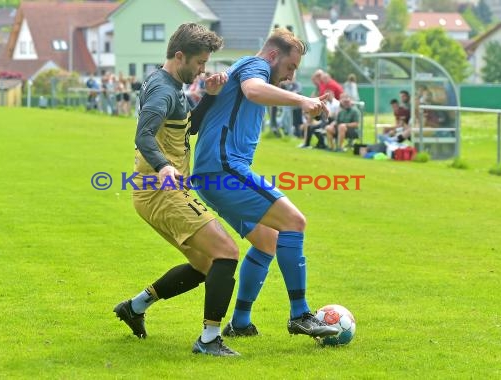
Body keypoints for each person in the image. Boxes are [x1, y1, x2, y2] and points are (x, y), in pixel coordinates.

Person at [192, 28, 339, 340]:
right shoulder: (255, 67)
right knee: (294, 222)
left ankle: (241, 322)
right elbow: (254, 91)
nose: (289, 76)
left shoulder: (246, 68)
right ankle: (300, 314)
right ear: (273, 56)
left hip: (213, 173)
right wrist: (302, 100)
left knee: (267, 241)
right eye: (290, 67)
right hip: (222, 169)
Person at [112, 23, 241, 357]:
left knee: (204, 264)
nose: (202, 69)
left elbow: (187, 128)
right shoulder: (162, 90)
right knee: (226, 252)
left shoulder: (170, 85)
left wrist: (209, 98)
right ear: (179, 55)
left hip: (160, 190)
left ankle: (135, 307)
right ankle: (210, 340)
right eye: (199, 63)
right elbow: (143, 135)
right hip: (161, 189)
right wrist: (164, 166)